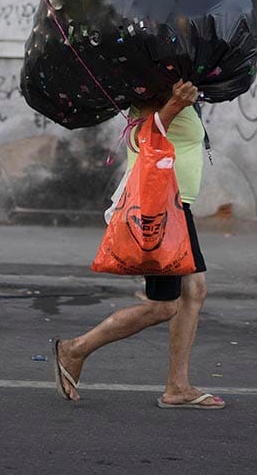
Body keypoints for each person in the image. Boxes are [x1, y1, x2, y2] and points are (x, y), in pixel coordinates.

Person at [53, 80, 224, 410]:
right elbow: (141, 136)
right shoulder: (154, 89)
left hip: (176, 205)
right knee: (164, 305)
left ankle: (177, 386)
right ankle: (74, 349)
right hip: (159, 208)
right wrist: (174, 104)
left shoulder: (178, 88)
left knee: (194, 290)